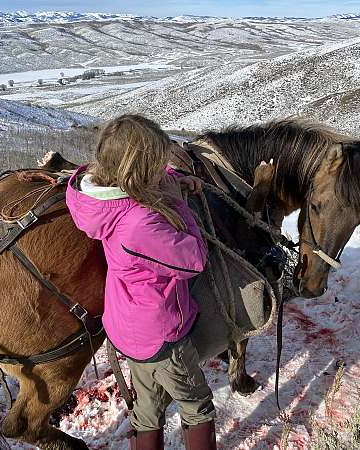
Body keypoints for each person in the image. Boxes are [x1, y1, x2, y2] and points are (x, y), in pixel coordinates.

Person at [66, 114, 217, 450]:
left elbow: (140, 183)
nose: (162, 167)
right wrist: (177, 201)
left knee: (147, 409)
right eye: (156, 162)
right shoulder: (139, 223)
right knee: (198, 406)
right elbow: (194, 259)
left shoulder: (100, 197)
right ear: (139, 167)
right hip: (161, 332)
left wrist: (172, 177)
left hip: (128, 325)